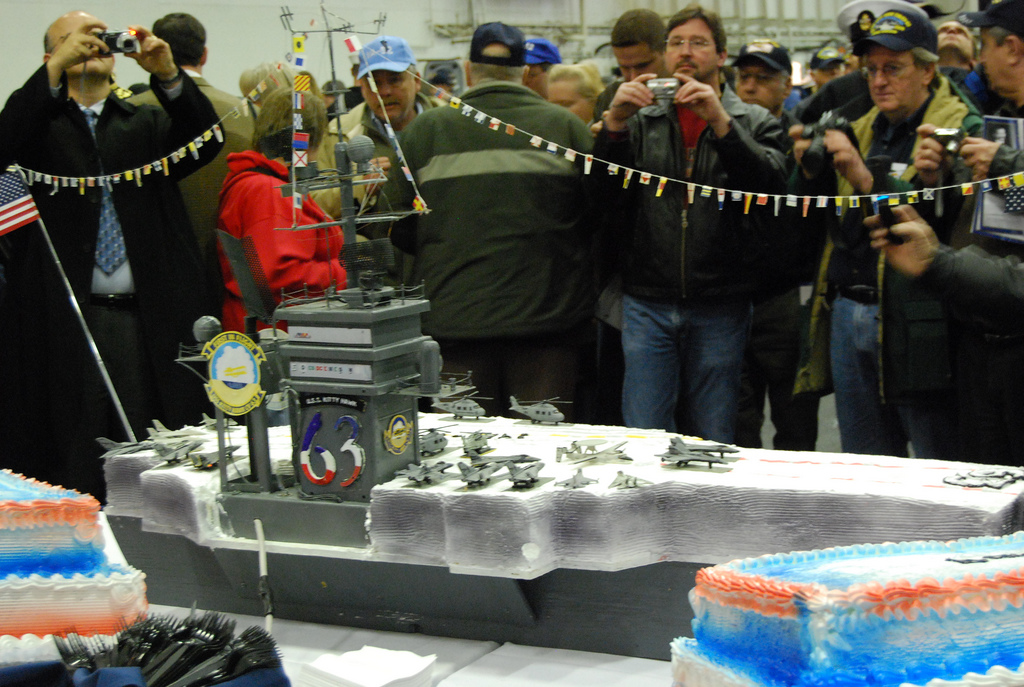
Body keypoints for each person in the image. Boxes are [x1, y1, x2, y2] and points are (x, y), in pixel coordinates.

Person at [0, 10, 223, 500]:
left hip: (145, 318)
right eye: (73, 40)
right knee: (72, 450)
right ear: (50, 56)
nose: (90, 45)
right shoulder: (35, 128)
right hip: (63, 321)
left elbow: (206, 142)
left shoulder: (145, 119)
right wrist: (52, 74)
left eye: (99, 37)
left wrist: (168, 74)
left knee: (145, 441)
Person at [790, 9, 983, 460]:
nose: (878, 81)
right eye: (871, 69)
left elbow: (936, 225)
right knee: (866, 466)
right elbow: (801, 214)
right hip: (848, 307)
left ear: (928, 70)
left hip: (919, 319)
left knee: (936, 463)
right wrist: (804, 169)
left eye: (893, 68)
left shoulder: (959, 129)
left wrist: (863, 175)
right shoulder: (860, 125)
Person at [595, 4, 789, 440]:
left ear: (720, 56)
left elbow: (770, 191)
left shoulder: (753, 120)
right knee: (644, 431)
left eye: (698, 43)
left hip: (721, 298)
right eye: (676, 43)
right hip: (646, 297)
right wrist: (614, 126)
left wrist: (720, 122)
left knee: (712, 432)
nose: (685, 52)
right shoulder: (639, 120)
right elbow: (603, 199)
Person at [387, 22, 595, 419]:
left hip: (455, 328)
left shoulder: (424, 133)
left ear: (468, 71)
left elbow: (396, 227)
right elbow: (596, 217)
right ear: (526, 72)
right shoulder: (565, 128)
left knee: (460, 446)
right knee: (543, 446)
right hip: (547, 330)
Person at [903, 0, 1024, 466]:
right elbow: (998, 221)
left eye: (985, 45)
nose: (980, 58)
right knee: (985, 481)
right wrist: (940, 182)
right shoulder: (998, 116)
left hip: (1014, 336)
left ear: (1012, 48)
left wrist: (1008, 165)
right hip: (978, 341)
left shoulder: (1003, 140)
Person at [731, 39, 820, 451]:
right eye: (744, 77)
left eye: (763, 78)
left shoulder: (804, 140)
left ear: (787, 86)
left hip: (787, 296)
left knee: (795, 420)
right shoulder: (723, 133)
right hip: (731, 296)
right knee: (736, 426)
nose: (750, 87)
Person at [132, 12, 255, 307]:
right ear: (205, 54)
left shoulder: (130, 112)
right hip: (238, 262)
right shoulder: (248, 112)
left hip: (160, 266)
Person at [216, 88, 345, 334]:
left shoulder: (258, 183)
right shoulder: (269, 190)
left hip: (269, 330)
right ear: (309, 141)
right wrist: (346, 271)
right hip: (279, 335)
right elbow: (281, 276)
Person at [315, 35, 440, 285]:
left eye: (395, 80)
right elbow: (314, 206)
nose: (384, 92)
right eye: (373, 83)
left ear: (416, 81)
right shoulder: (338, 134)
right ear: (361, 87)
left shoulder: (446, 124)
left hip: (441, 270)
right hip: (377, 280)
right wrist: (358, 187)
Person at [592, 9, 671, 124]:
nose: (633, 77)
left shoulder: (689, 93)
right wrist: (606, 131)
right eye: (624, 68)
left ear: (666, 51)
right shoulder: (610, 97)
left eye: (642, 66)